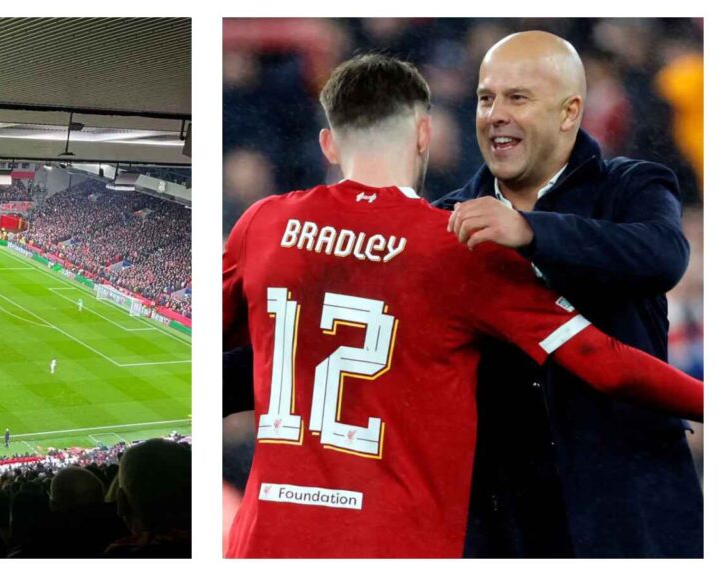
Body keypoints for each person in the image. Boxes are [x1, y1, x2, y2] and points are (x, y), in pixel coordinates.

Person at [221, 54, 702, 558]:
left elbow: (223, 347)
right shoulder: (457, 247)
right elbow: (603, 361)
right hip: (395, 541)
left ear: (328, 144)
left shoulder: (263, 223)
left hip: (265, 539)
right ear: (425, 134)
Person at [436, 31, 701, 558]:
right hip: (502, 521)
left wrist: (531, 231)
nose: (495, 114)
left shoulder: (632, 185)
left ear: (568, 111)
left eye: (517, 97)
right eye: (486, 98)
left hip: (631, 511)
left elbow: (662, 255)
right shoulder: (442, 219)